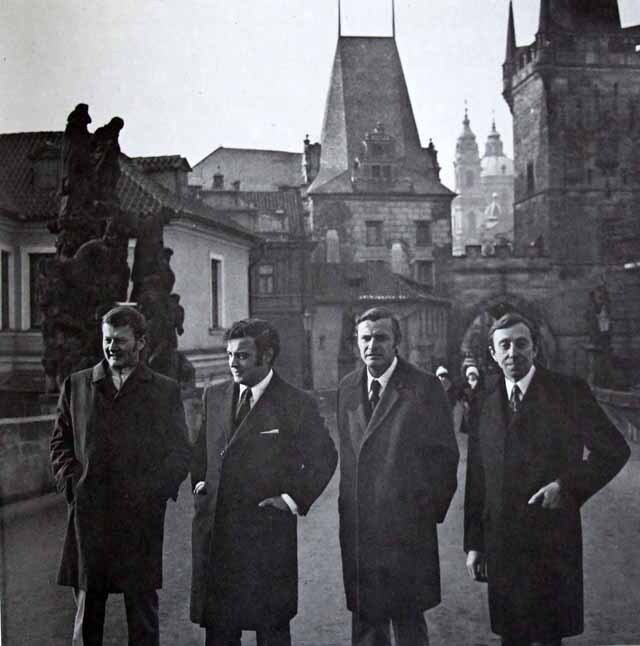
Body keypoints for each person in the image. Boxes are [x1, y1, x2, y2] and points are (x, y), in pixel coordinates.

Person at [464, 312, 630, 646]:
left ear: (535, 348)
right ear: (493, 353)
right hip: (503, 541)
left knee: (548, 635)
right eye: (504, 345)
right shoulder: (484, 397)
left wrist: (566, 487)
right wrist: (474, 543)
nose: (513, 352)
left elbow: (613, 450)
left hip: (551, 538)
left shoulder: (567, 392)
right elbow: (476, 476)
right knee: (511, 636)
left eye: (521, 344)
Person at [50, 305, 191, 646]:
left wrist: (155, 493)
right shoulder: (78, 385)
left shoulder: (163, 390)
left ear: (140, 342)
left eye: (120, 340)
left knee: (142, 615)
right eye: (107, 340)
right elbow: (60, 443)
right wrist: (73, 485)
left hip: (139, 520)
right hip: (89, 518)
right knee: (88, 615)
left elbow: (179, 451)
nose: (112, 347)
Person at [190, 318, 337, 646]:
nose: (232, 363)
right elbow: (201, 450)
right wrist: (200, 486)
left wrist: (290, 499)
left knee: (270, 628)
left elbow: (325, 457)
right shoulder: (214, 395)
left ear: (267, 356)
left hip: (266, 535)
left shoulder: (295, 403)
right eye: (229, 355)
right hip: (216, 533)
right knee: (219, 630)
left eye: (242, 355)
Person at [337, 307, 459, 646]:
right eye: (365, 338)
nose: (372, 345)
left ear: (396, 342)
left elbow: (445, 457)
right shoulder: (347, 387)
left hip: (407, 530)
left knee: (408, 620)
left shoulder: (423, 387)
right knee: (367, 624)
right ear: (356, 342)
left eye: (381, 337)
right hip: (361, 529)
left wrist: (423, 512)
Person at [459, 365, 484, 436]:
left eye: (473, 374)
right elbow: (460, 395)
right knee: (469, 423)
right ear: (467, 376)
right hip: (468, 408)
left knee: (477, 423)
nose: (471, 376)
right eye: (470, 374)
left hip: (477, 406)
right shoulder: (465, 385)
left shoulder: (480, 385)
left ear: (476, 375)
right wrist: (464, 401)